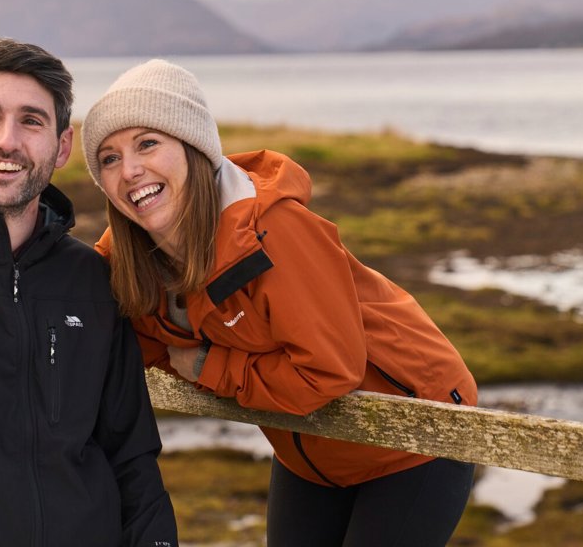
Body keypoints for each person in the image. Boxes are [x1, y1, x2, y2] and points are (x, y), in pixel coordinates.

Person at [81, 58, 478, 547]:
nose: (131, 169)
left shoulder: (273, 232)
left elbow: (327, 372)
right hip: (306, 452)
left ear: (193, 147)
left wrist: (209, 365)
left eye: (147, 143)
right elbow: (127, 344)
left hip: (416, 435)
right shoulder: (130, 257)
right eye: (109, 157)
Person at [0, 39, 178, 547]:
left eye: (32, 121)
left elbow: (130, 458)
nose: (8, 141)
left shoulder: (93, 279)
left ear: (62, 147)